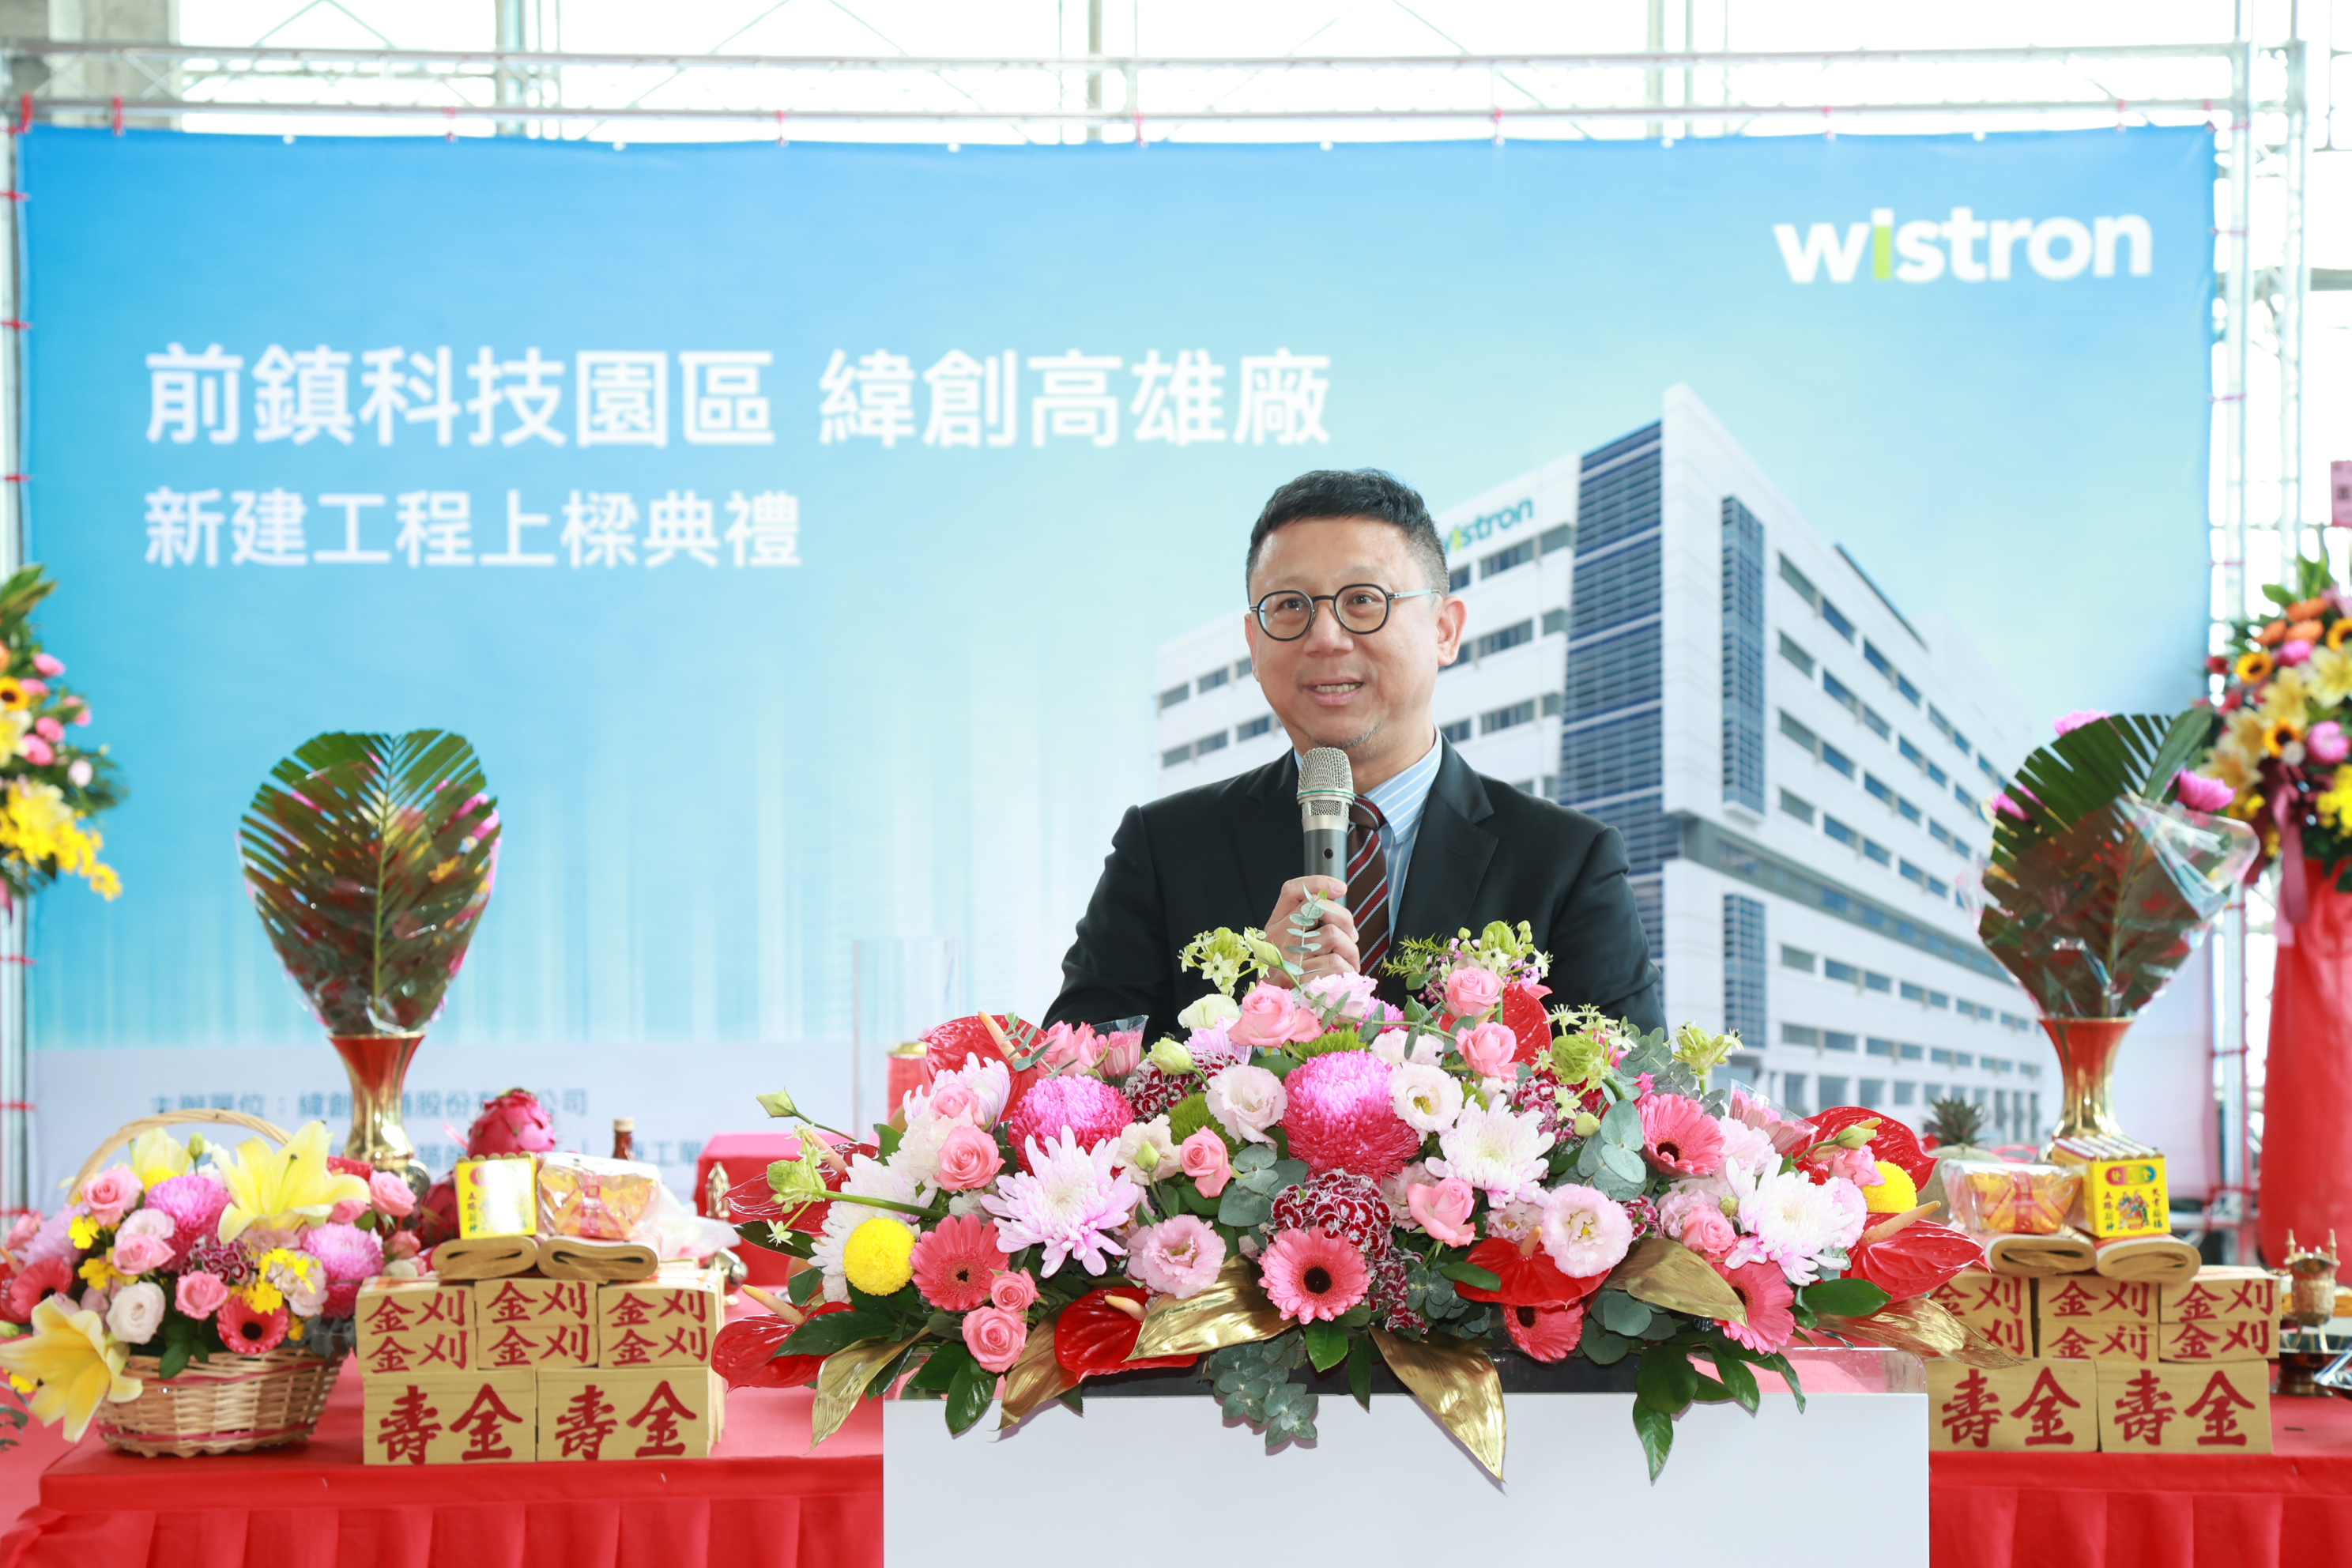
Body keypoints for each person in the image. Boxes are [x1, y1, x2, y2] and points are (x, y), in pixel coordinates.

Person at [1046, 468, 1664, 1044]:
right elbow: (1072, 1085)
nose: (1324, 638)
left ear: (1445, 630)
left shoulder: (1566, 862)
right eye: (1290, 606)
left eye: (1363, 600)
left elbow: (1631, 1095)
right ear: (1254, 644)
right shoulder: (1164, 849)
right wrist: (1252, 1023)